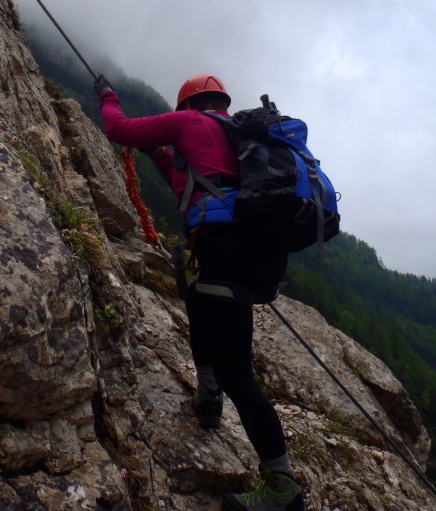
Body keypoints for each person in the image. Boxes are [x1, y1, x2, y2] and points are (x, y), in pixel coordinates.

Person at [95, 72, 306, 511]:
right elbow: (191, 179)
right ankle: (208, 395)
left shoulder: (188, 123)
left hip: (224, 251)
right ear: (222, 102)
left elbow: (117, 129)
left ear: (187, 104)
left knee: (239, 376)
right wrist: (159, 154)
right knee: (196, 299)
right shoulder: (238, 137)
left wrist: (108, 96)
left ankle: (282, 484)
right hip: (257, 254)